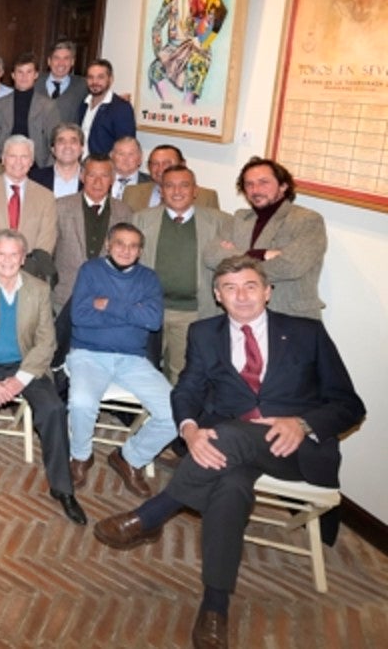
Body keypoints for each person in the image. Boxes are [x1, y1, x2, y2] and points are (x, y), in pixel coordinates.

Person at [93, 255, 363, 649]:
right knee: (230, 485)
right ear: (218, 297)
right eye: (231, 288)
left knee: (227, 436)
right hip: (230, 454)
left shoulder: (307, 333)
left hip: (294, 449)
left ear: (268, 292)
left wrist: (301, 424)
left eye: (250, 286)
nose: (242, 296)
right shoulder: (205, 333)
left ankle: (153, 514)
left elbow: (349, 405)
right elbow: (187, 389)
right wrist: (189, 429)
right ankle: (215, 605)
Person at [0, 230, 86, 525]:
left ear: (23, 258)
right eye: (1, 254)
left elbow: (46, 341)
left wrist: (19, 380)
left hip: (25, 365)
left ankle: (63, 488)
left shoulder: (39, 289)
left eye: (14, 255)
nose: (8, 261)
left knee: (53, 409)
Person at [66, 223, 177, 499]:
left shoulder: (148, 278)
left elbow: (152, 320)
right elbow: (80, 317)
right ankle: (80, 456)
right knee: (81, 402)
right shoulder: (90, 271)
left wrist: (108, 305)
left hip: (133, 358)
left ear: (140, 251)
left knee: (176, 412)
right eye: (120, 243)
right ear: (108, 244)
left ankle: (130, 457)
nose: (126, 250)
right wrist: (132, 312)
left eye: (133, 246)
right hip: (89, 354)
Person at [133, 164, 233, 382]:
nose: (177, 192)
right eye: (169, 186)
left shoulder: (220, 222)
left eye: (184, 186)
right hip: (150, 309)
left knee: (182, 374)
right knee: (141, 370)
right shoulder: (141, 220)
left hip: (192, 312)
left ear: (195, 190)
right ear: (161, 191)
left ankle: (176, 415)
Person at [204, 157, 326, 319]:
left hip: (289, 316)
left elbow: (291, 267)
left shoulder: (307, 220)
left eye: (264, 182)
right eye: (249, 184)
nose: (255, 190)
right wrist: (261, 254)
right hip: (239, 316)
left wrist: (237, 258)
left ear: (283, 186)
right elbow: (211, 256)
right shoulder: (240, 218)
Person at [53, 153, 134, 314]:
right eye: (91, 175)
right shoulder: (59, 207)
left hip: (109, 300)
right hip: (64, 297)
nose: (98, 182)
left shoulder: (125, 212)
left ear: (112, 179)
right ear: (82, 176)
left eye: (104, 176)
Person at [0, 135, 58, 277]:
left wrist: (23, 275)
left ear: (31, 162)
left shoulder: (46, 197)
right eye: (12, 156)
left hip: (28, 278)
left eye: (24, 157)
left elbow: (46, 242)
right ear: (3, 159)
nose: (18, 162)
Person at [0, 53, 61, 167]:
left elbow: (56, 141)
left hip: (37, 166)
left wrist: (47, 169)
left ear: (36, 75)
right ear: (13, 75)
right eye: (20, 72)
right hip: (1, 164)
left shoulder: (48, 106)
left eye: (29, 72)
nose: (24, 77)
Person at [122, 144, 220, 211]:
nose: (160, 169)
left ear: (183, 164)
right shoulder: (131, 193)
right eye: (155, 164)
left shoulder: (206, 197)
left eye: (166, 163)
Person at [78, 59, 135, 157]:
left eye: (100, 77)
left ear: (110, 79)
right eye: (90, 77)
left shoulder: (121, 108)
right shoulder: (83, 104)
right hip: (81, 168)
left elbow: (126, 147)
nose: (95, 82)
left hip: (104, 169)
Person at [36, 40, 89, 123]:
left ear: (72, 62)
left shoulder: (83, 85)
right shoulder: (34, 81)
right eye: (56, 58)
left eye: (66, 58)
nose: (61, 63)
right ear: (49, 61)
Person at [30, 122, 84, 196]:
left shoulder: (93, 180)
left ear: (81, 148)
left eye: (73, 141)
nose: (67, 146)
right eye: (61, 141)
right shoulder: (34, 179)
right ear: (53, 149)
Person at [109, 136, 151, 201]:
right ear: (111, 156)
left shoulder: (151, 184)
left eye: (131, 154)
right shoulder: (100, 179)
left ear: (140, 158)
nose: (126, 159)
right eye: (121, 154)